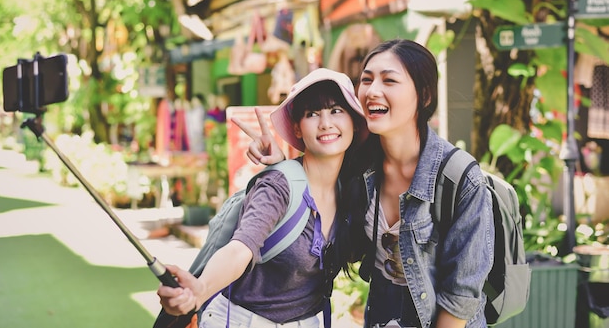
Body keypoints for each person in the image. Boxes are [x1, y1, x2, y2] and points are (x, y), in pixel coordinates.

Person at [236, 39, 495, 328]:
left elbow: (461, 298)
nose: (372, 91)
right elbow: (314, 190)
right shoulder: (358, 165)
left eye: (389, 80)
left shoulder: (460, 178)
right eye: (367, 80)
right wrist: (281, 161)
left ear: (423, 96)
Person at [156, 68, 369, 328]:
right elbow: (239, 249)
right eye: (312, 114)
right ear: (297, 129)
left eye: (336, 110)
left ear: (354, 123)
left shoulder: (352, 191)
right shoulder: (277, 186)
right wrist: (200, 289)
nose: (325, 123)